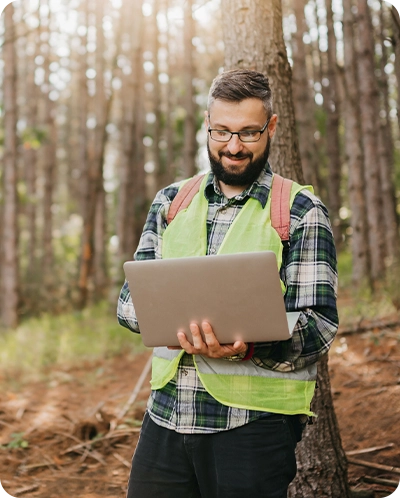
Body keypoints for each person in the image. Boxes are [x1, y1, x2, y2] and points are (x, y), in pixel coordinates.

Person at [117, 69, 338, 498]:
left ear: (271, 128)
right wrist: (163, 316)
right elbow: (129, 303)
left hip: (252, 428)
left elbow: (320, 326)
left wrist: (249, 344)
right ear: (207, 123)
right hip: (166, 417)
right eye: (221, 131)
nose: (233, 147)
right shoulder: (170, 202)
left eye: (248, 133)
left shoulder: (299, 211)